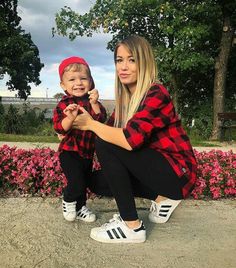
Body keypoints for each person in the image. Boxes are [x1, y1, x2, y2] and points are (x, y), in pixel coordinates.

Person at [73, 35, 197, 244]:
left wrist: (92, 125)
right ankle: (161, 198)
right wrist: (73, 119)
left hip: (178, 172)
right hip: (156, 172)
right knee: (95, 181)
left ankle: (132, 226)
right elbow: (107, 129)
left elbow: (128, 140)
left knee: (107, 141)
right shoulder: (125, 101)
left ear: (144, 62)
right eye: (119, 60)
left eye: (132, 60)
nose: (124, 66)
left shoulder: (156, 92)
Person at [53, 56, 107, 222]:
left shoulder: (92, 102)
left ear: (90, 82)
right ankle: (68, 200)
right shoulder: (64, 104)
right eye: (72, 79)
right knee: (76, 180)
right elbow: (59, 127)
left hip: (87, 152)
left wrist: (96, 103)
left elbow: (101, 120)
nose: (78, 83)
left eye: (83, 78)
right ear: (63, 85)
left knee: (83, 181)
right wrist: (69, 117)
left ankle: (81, 207)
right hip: (69, 151)